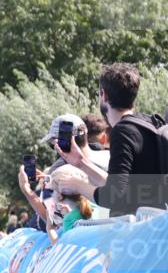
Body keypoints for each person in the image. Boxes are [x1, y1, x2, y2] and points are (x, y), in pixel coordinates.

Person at [58, 63, 167, 216]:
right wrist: (81, 163)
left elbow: (115, 196)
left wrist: (78, 185)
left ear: (104, 95)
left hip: (136, 231)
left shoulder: (123, 132)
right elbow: (126, 189)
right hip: (155, 226)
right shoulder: (150, 123)